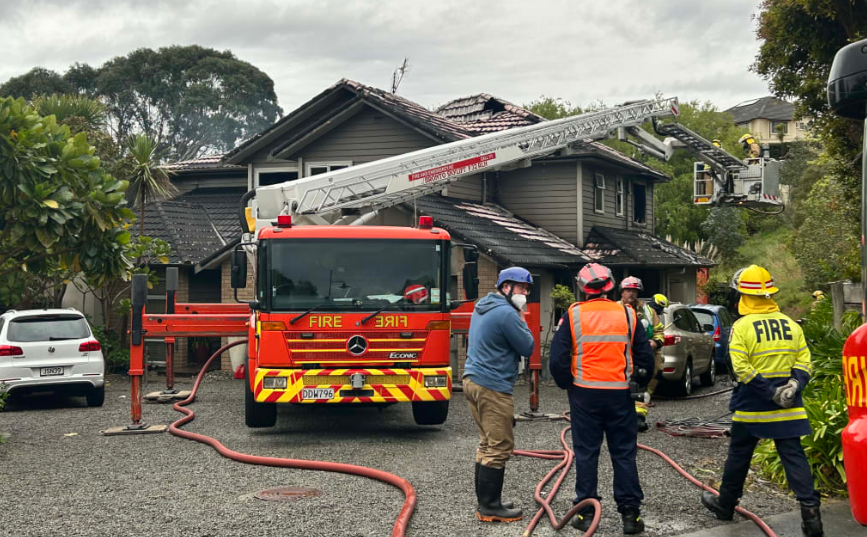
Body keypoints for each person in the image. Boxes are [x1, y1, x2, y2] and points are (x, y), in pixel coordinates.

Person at [701, 265, 823, 537]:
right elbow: (805, 361)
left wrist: (769, 392)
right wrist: (792, 385)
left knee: (739, 456)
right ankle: (812, 516)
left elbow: (741, 368)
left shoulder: (742, 327)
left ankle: (725, 505)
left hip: (753, 406)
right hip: (788, 408)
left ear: (742, 295)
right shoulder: (791, 324)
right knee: (794, 458)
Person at [550, 264, 655, 534]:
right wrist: (638, 382)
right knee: (624, 454)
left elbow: (558, 360)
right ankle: (631, 516)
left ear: (582, 288)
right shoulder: (627, 314)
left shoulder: (573, 315)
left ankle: (585, 514)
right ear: (611, 286)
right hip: (620, 394)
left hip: (584, 395)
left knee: (586, 454)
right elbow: (645, 358)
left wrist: (568, 385)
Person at [463, 266, 535, 523]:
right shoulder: (507, 313)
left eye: (527, 289)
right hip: (493, 387)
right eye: (521, 288)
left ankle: (487, 502)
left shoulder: (483, 307)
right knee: (500, 445)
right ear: (506, 287)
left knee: (486, 443)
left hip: (473, 380)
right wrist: (522, 318)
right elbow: (527, 347)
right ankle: (490, 508)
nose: (525, 293)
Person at [617, 277, 665, 433]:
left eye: (634, 290)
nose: (631, 293)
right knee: (620, 385)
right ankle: (620, 416)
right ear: (622, 292)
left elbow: (659, 331)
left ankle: (639, 417)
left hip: (643, 354)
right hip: (620, 354)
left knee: (643, 384)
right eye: (628, 290)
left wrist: (655, 343)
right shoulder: (614, 309)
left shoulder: (648, 311)